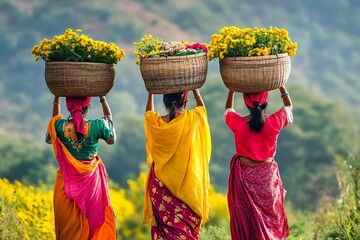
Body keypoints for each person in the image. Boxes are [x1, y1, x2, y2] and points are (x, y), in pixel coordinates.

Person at [224, 86, 293, 240]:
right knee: (269, 223)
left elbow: (228, 110)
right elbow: (288, 107)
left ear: (246, 103)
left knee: (248, 224)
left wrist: (231, 90)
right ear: (266, 102)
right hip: (267, 181)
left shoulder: (238, 123)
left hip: (244, 181)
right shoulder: (274, 122)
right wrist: (281, 86)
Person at [143, 89, 212, 240]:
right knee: (185, 232)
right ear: (185, 102)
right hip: (188, 187)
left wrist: (151, 92)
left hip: (160, 187)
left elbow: (148, 113)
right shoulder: (193, 118)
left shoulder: (156, 123)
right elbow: (203, 111)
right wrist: (196, 90)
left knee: (164, 233)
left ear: (165, 102)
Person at [46, 95, 117, 240]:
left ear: (68, 107)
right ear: (87, 107)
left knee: (68, 231)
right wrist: (103, 98)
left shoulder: (60, 126)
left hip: (65, 186)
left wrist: (57, 97)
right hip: (91, 187)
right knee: (92, 226)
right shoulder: (97, 126)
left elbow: (50, 134)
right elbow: (111, 138)